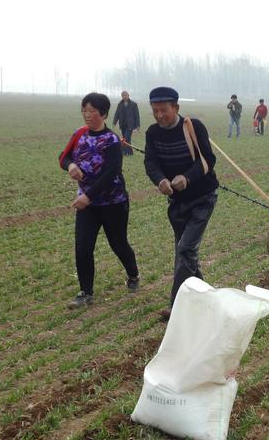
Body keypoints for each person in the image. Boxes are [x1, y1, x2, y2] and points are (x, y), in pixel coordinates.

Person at [144, 87, 219, 321]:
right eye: (155, 111)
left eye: (163, 110)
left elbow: (208, 159)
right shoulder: (153, 133)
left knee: (185, 249)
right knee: (185, 252)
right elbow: (150, 162)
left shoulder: (193, 127)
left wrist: (187, 177)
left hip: (203, 197)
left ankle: (176, 304)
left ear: (176, 108)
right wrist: (161, 180)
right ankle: (207, 297)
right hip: (177, 203)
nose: (159, 116)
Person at [60, 92, 140, 308]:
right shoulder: (79, 135)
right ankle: (85, 292)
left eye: (92, 111)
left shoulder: (112, 140)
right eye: (84, 111)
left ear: (103, 114)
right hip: (87, 205)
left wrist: (88, 196)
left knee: (118, 243)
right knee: (82, 247)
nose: (87, 115)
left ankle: (133, 275)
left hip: (113, 203)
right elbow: (63, 157)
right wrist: (71, 165)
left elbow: (111, 173)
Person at [112, 90, 140, 156]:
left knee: (127, 138)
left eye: (125, 95)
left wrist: (138, 125)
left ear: (128, 95)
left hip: (130, 125)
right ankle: (129, 152)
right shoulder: (120, 104)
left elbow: (137, 115)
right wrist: (114, 122)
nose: (124, 97)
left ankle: (125, 152)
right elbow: (117, 114)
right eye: (123, 96)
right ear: (122, 96)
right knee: (124, 139)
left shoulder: (133, 104)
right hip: (122, 124)